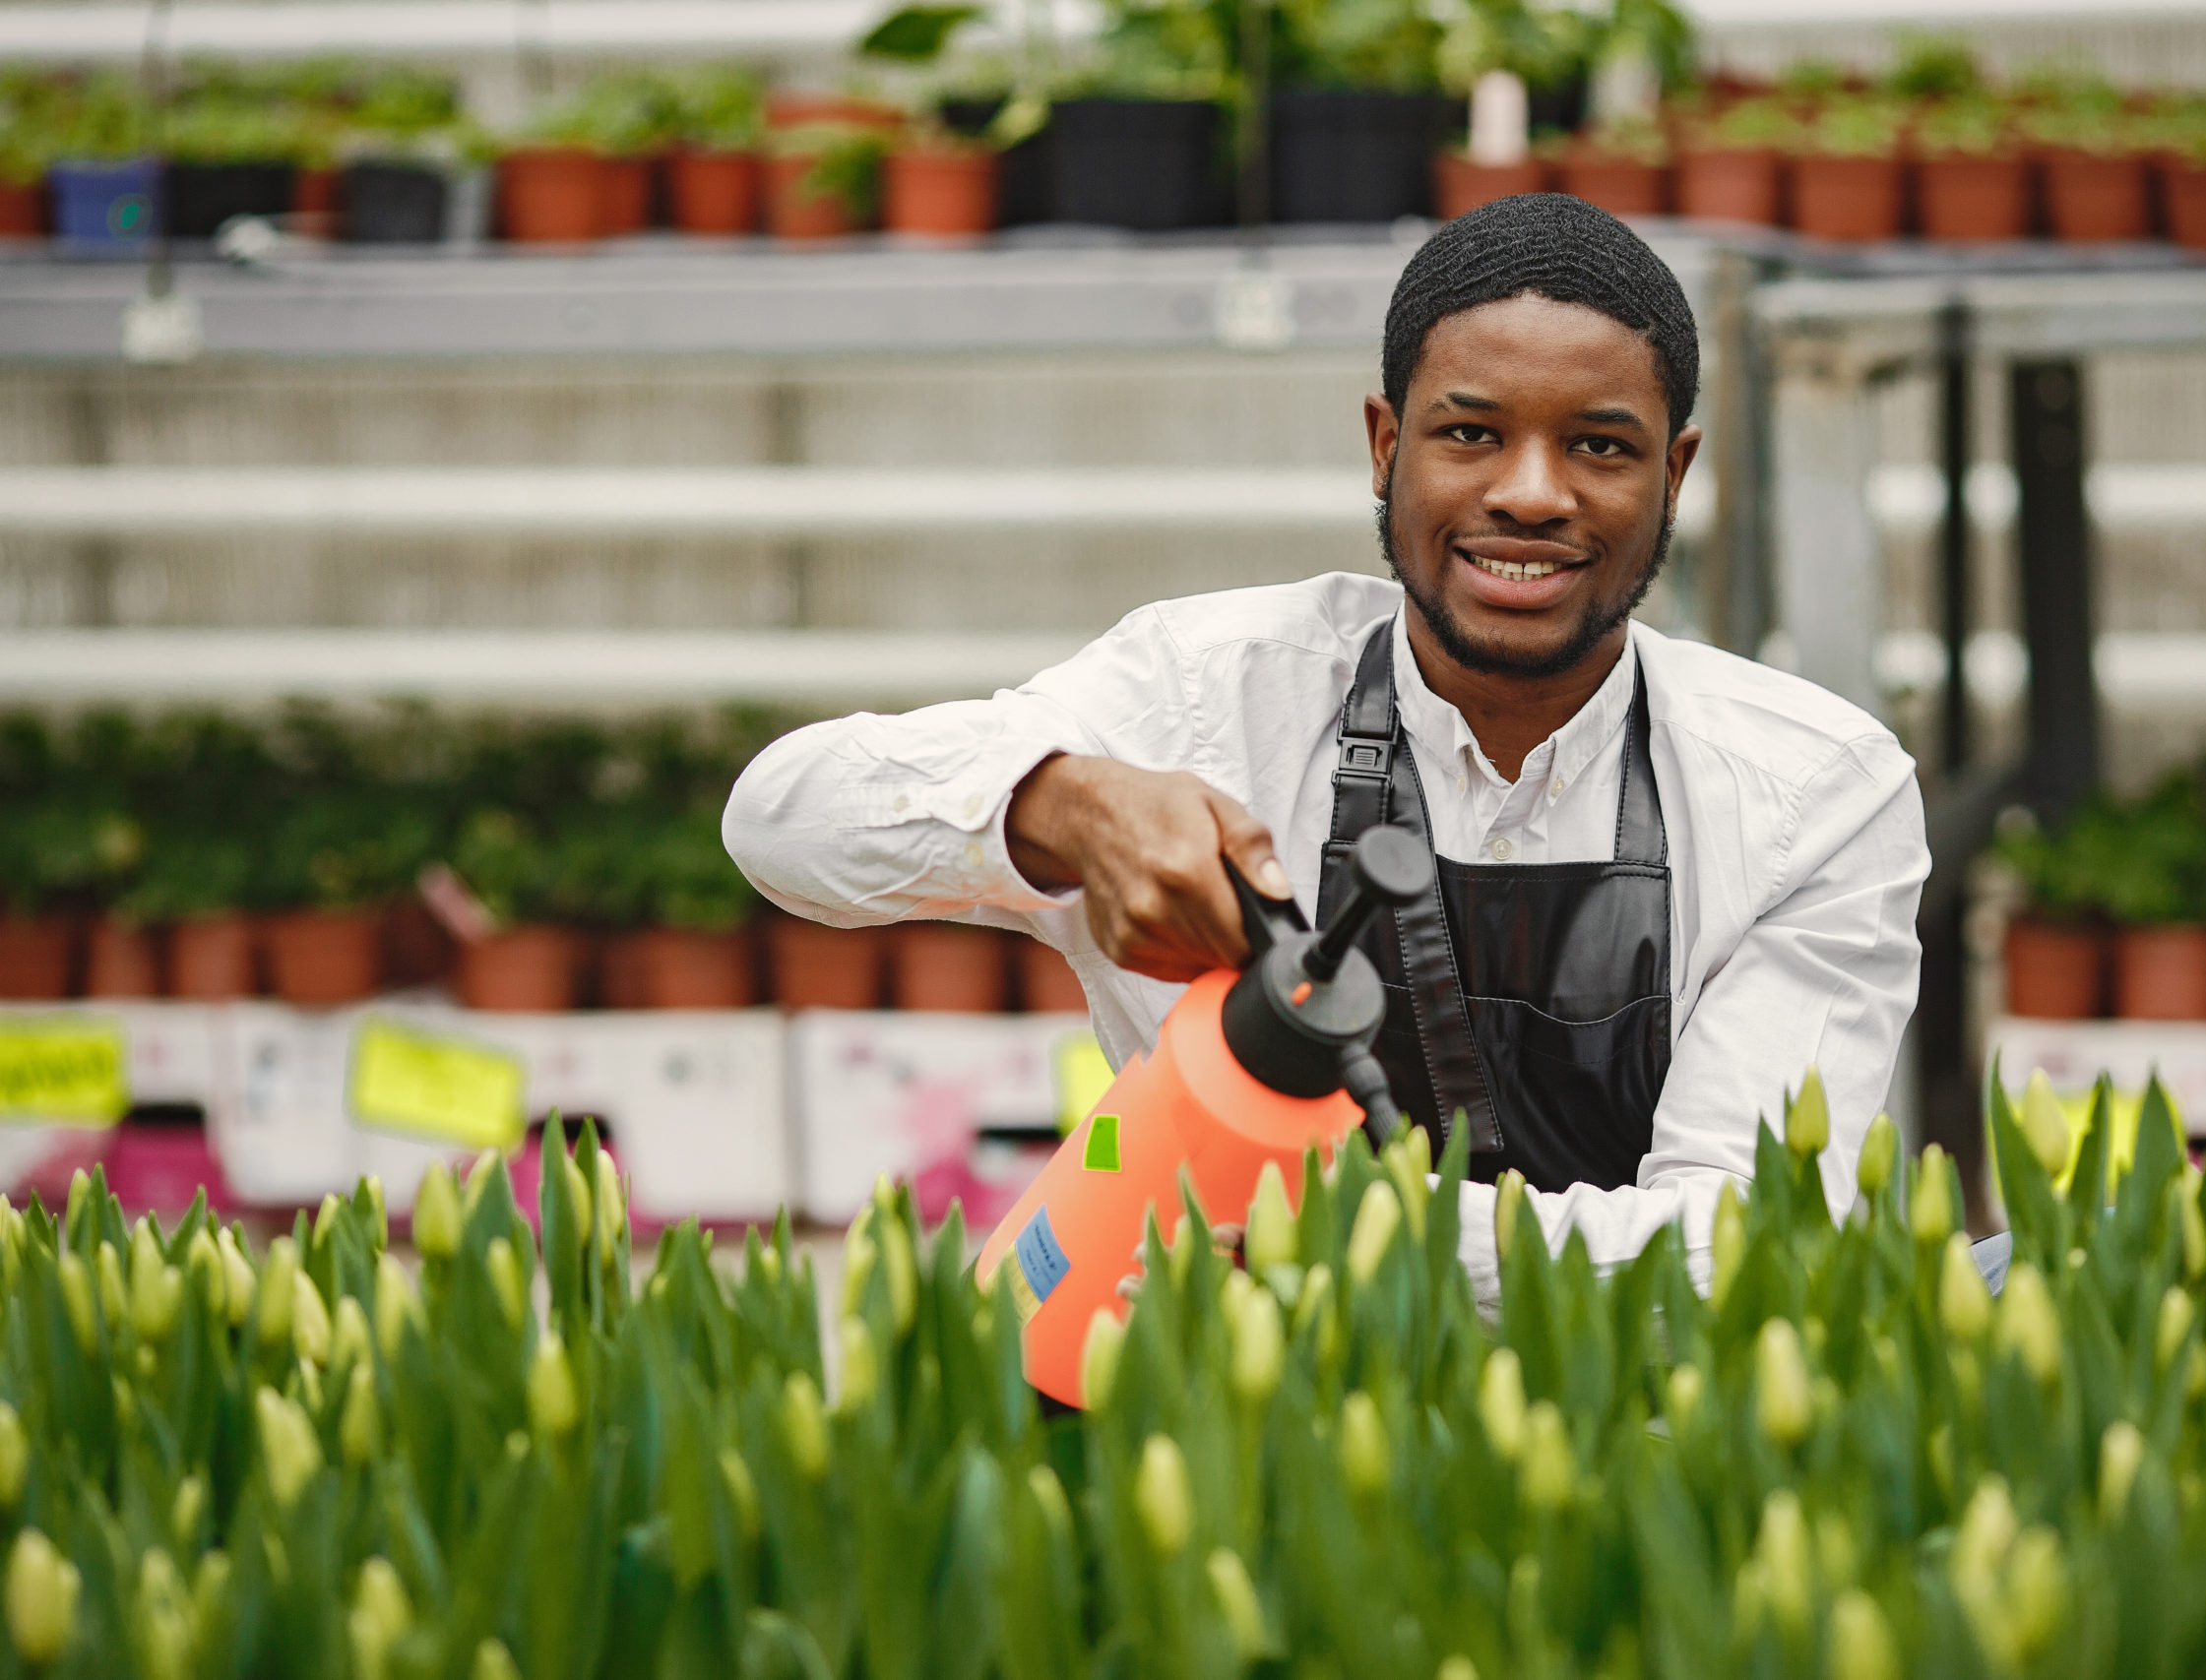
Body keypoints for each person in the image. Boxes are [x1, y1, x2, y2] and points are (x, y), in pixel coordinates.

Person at [725, 193, 1928, 1303]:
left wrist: (1338, 1231)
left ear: (1674, 475)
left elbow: (1740, 1243)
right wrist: (1063, 806)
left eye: (1600, 448)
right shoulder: (1208, 697)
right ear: (1382, 446)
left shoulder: (1810, 789)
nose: (1529, 493)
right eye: (1468, 433)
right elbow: (782, 818)